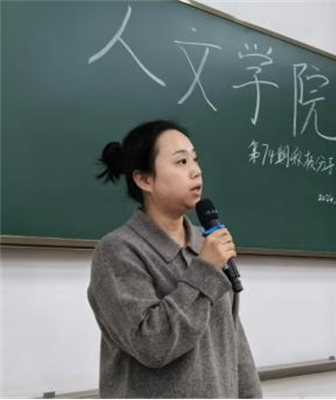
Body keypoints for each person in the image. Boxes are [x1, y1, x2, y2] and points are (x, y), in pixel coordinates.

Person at [87, 120, 262, 399]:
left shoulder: (205, 244)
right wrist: (205, 269)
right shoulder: (117, 251)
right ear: (144, 180)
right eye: (181, 161)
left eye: (195, 159)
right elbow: (152, 344)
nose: (196, 170)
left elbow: (232, 340)